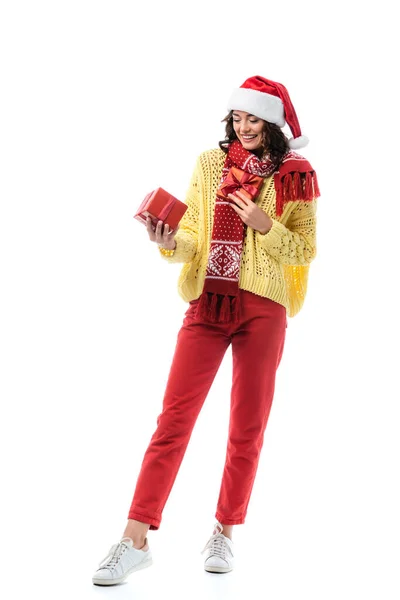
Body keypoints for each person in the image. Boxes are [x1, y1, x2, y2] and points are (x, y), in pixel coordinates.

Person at [92, 75, 320, 586]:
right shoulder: (211, 164)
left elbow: (304, 251)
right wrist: (167, 241)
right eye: (237, 119)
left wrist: (266, 224)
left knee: (247, 425)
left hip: (264, 308)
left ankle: (225, 530)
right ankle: (134, 540)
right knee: (173, 419)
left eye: (253, 119)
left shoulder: (296, 176)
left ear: (274, 123)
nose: (242, 128)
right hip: (207, 304)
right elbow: (193, 235)